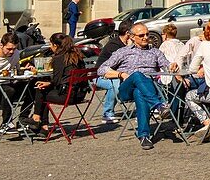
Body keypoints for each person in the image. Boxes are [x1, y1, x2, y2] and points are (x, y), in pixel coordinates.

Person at [97, 22, 178, 150]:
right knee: (137, 75)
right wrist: (121, 74)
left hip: (148, 89)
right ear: (132, 37)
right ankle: (158, 105)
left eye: (147, 34)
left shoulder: (155, 52)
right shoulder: (123, 52)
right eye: (141, 35)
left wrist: (172, 66)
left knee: (140, 93)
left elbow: (166, 65)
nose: (145, 37)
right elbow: (101, 69)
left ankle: (144, 136)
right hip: (126, 89)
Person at [26, 33, 86, 134]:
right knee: (44, 89)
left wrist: (48, 83)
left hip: (68, 96)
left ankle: (37, 119)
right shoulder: (77, 55)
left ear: (56, 46)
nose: (50, 47)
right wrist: (49, 83)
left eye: (51, 44)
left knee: (41, 89)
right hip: (80, 94)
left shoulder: (59, 58)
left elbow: (57, 81)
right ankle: (42, 125)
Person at [94, 19, 133, 124]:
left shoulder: (127, 44)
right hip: (100, 75)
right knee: (114, 85)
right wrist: (129, 47)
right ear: (128, 33)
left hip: (117, 75)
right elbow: (121, 63)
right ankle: (107, 113)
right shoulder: (114, 44)